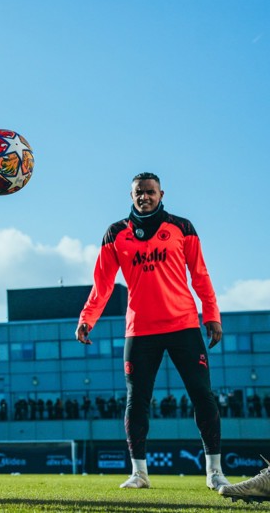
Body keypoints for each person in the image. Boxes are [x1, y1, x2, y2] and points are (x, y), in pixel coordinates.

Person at [76, 172, 226, 491]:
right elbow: (102, 285)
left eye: (150, 192)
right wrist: (87, 317)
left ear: (161, 194)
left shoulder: (182, 228)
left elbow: (200, 275)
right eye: (138, 193)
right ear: (131, 196)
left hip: (183, 324)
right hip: (140, 329)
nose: (144, 197)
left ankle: (214, 471)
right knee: (137, 400)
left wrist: (211, 313)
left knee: (203, 395)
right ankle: (139, 473)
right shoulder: (115, 233)